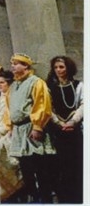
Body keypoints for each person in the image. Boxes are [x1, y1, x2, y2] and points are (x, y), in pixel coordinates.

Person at [6, 53, 58, 203]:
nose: (13, 66)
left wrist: (37, 126)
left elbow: (42, 104)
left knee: (40, 170)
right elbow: (10, 108)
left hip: (31, 128)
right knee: (26, 171)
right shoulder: (14, 85)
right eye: (12, 63)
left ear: (26, 66)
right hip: (19, 130)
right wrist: (10, 126)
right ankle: (34, 200)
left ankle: (46, 200)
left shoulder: (36, 82)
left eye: (16, 63)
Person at [45, 55, 83, 203]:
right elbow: (48, 108)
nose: (58, 70)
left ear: (68, 68)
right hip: (57, 132)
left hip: (74, 131)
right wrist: (59, 123)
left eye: (61, 67)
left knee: (76, 163)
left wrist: (73, 121)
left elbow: (84, 104)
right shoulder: (50, 88)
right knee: (60, 166)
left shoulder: (79, 85)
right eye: (56, 67)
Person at [0, 70, 24, 202]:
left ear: (9, 83)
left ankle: (15, 192)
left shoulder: (15, 99)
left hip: (10, 136)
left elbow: (13, 119)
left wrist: (1, 132)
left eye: (2, 82)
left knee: (2, 158)